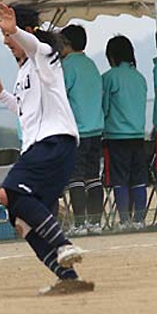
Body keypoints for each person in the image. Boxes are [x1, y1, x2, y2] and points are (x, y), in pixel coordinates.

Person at [0, 3, 94, 295]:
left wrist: (17, 31)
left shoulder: (45, 55)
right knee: (19, 218)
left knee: (11, 192)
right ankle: (68, 276)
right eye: (5, 36)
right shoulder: (23, 71)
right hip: (41, 146)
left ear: (25, 31)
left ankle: (63, 245)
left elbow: (32, 43)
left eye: (9, 35)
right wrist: (1, 95)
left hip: (54, 141)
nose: (7, 42)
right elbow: (23, 110)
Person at [60, 24, 104, 235]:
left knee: (75, 178)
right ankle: (95, 223)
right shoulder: (92, 65)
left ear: (66, 43)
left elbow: (60, 95)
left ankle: (79, 224)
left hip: (77, 131)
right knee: (93, 176)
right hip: (96, 129)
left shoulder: (67, 66)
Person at [102, 35, 148, 229]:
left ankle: (124, 220)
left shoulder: (109, 77)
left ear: (111, 56)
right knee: (139, 179)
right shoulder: (140, 77)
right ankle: (140, 220)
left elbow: (104, 108)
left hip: (116, 136)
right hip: (138, 135)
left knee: (119, 178)